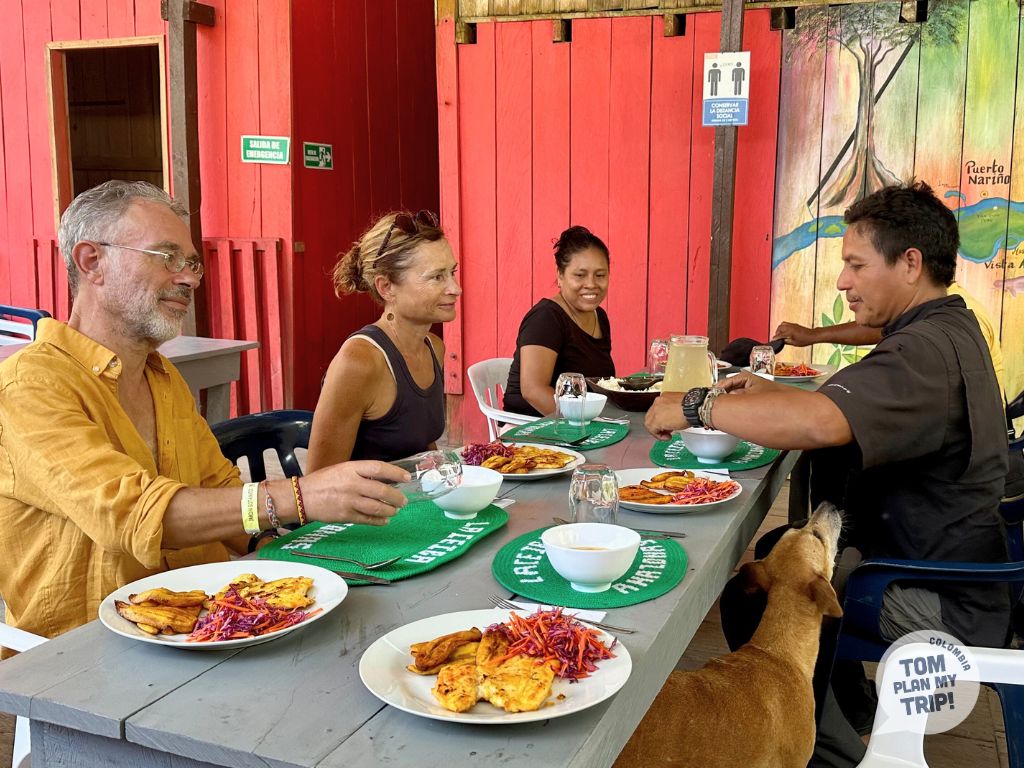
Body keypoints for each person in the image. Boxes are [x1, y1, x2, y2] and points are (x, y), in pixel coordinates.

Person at [645, 181, 1010, 766]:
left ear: (910, 263)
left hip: (943, 598)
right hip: (954, 562)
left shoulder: (924, 351)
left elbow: (820, 422)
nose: (843, 281)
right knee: (774, 553)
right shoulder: (945, 326)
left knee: (761, 588)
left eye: (855, 264)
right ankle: (851, 712)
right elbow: (832, 407)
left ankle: (819, 748)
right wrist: (768, 394)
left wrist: (694, 406)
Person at [0, 181, 409, 641]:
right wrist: (300, 496)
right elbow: (131, 514)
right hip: (81, 660)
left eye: (192, 263)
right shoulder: (29, 385)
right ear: (92, 261)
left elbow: (222, 493)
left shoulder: (161, 376)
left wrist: (309, 565)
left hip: (208, 630)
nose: (190, 278)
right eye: (167, 257)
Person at [307, 210, 459, 467]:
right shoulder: (359, 362)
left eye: (452, 272)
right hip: (367, 506)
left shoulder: (434, 348)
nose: (455, 288)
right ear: (386, 287)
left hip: (415, 500)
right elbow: (318, 480)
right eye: (437, 277)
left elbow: (419, 445)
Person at [773, 281, 1007, 399]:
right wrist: (814, 335)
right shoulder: (927, 309)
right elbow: (881, 330)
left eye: (861, 265)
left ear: (910, 266)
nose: (843, 282)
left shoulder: (949, 325)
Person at [503, 226, 614, 417]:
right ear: (560, 276)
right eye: (580, 275)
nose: (591, 284)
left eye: (600, 275)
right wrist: (583, 426)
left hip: (585, 420)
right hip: (533, 427)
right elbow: (533, 391)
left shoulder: (599, 315)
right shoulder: (546, 318)